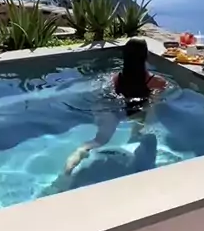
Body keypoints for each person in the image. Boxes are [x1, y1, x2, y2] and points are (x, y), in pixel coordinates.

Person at [64, 38, 167, 174]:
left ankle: (79, 153)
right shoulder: (157, 82)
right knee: (148, 132)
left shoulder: (115, 78)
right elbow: (153, 105)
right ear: (146, 56)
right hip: (134, 111)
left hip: (111, 109)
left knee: (99, 140)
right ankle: (137, 148)